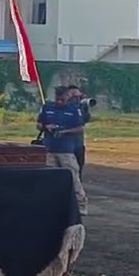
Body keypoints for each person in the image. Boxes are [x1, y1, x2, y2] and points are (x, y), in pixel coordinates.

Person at [37, 86, 88, 215]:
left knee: (73, 178)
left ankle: (81, 205)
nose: (60, 102)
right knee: (49, 179)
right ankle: (51, 204)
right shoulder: (48, 108)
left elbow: (80, 128)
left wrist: (64, 131)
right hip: (49, 148)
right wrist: (46, 127)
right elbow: (38, 124)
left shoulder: (74, 110)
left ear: (67, 97)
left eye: (62, 100)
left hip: (66, 150)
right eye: (58, 99)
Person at [66, 84, 92, 177]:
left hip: (79, 145)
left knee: (78, 169)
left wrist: (85, 108)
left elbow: (85, 120)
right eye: (74, 96)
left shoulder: (81, 108)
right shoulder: (62, 108)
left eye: (78, 97)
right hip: (64, 146)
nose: (76, 99)